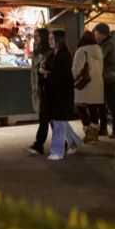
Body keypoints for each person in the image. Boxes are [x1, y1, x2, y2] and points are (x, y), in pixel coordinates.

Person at [42, 30, 77, 161]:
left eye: (53, 39)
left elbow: (61, 75)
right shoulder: (52, 54)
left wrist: (47, 73)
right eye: (49, 38)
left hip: (62, 93)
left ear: (59, 40)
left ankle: (57, 151)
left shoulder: (65, 56)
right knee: (60, 122)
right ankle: (74, 141)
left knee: (58, 123)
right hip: (52, 93)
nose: (50, 41)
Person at [73, 30, 105, 143]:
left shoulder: (81, 51)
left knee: (80, 107)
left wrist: (72, 78)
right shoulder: (99, 50)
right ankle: (94, 135)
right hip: (97, 83)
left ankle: (88, 133)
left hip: (84, 84)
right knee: (93, 109)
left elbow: (76, 69)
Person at [93, 23, 115, 138]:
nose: (95, 34)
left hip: (108, 78)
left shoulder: (109, 44)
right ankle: (103, 128)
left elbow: (101, 59)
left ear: (100, 33)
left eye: (96, 32)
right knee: (101, 104)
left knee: (111, 104)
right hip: (102, 78)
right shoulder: (103, 43)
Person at [26, 27, 51, 155]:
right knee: (49, 119)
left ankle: (38, 144)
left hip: (46, 89)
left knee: (46, 118)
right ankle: (64, 143)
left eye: (38, 35)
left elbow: (48, 70)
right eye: (34, 35)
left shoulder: (48, 52)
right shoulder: (37, 51)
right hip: (39, 88)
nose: (35, 38)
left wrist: (43, 73)